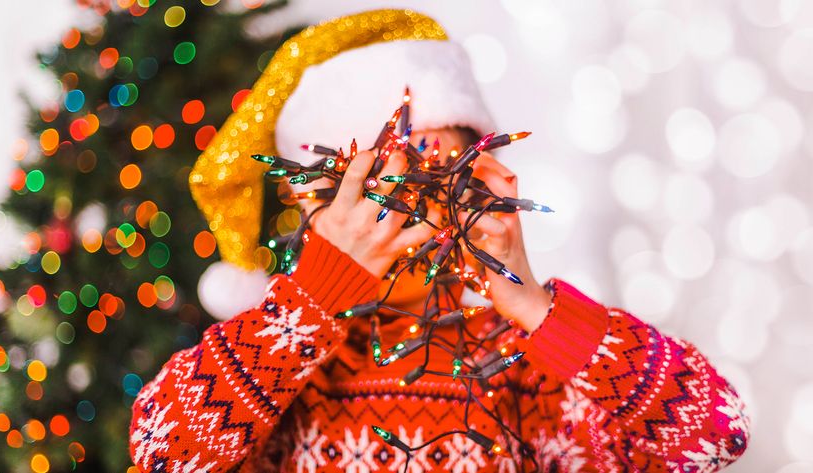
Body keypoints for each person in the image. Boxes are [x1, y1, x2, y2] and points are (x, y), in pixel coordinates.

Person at [129, 9, 750, 473]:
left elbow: (713, 434)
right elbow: (163, 450)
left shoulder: (521, 362)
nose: (410, 219)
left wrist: (533, 305)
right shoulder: (277, 362)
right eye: (372, 191)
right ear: (313, 208)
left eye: (439, 181)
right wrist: (311, 301)